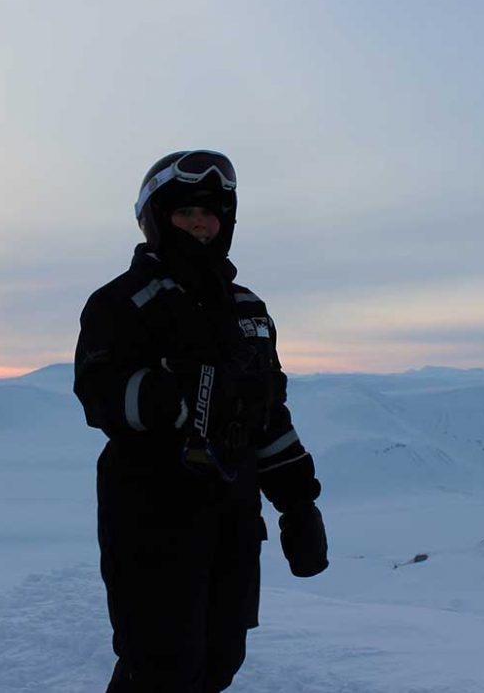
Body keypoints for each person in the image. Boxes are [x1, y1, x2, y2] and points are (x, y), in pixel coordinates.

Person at [73, 149, 329, 692]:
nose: (200, 222)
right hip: (150, 517)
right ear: (156, 218)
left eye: (211, 212)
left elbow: (269, 414)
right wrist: (181, 389)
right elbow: (99, 397)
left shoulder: (247, 309)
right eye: (185, 210)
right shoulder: (120, 303)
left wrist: (299, 503)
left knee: (219, 661)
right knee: (160, 667)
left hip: (232, 519)